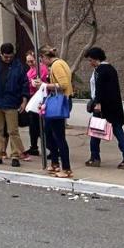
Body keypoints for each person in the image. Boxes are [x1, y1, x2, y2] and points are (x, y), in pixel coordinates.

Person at [84, 47, 124, 170]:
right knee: (118, 130)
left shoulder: (100, 70)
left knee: (95, 132)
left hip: (103, 107)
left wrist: (97, 103)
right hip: (114, 106)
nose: (90, 63)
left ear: (96, 59)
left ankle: (95, 157)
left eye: (90, 60)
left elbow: (99, 89)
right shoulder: (111, 69)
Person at [34, 46, 74, 179]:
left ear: (45, 57)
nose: (42, 63)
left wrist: (45, 85)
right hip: (60, 101)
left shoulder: (56, 65)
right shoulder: (61, 63)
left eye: (41, 59)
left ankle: (67, 168)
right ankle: (55, 162)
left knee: (58, 136)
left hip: (59, 102)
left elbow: (63, 84)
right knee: (48, 132)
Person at [25, 50, 48, 157]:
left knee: (38, 126)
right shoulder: (31, 70)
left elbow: (42, 82)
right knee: (32, 125)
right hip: (32, 97)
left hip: (39, 98)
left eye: (31, 61)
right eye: (28, 61)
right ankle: (33, 146)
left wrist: (33, 82)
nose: (30, 63)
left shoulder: (42, 69)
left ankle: (50, 147)